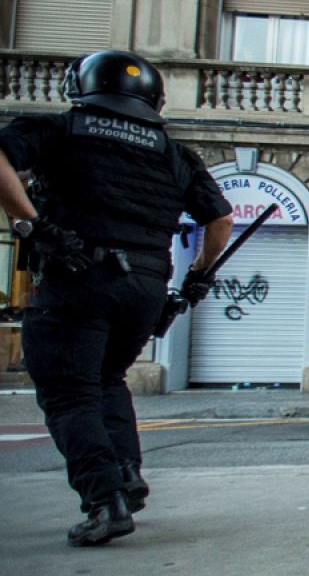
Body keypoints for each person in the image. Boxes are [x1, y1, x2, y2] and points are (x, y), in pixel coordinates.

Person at [0, 50, 234, 546]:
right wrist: (197, 275)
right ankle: (126, 475)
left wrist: (30, 225)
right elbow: (220, 219)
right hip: (145, 286)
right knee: (108, 379)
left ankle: (103, 500)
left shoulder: (60, 130)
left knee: (69, 391)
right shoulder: (172, 153)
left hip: (78, 277)